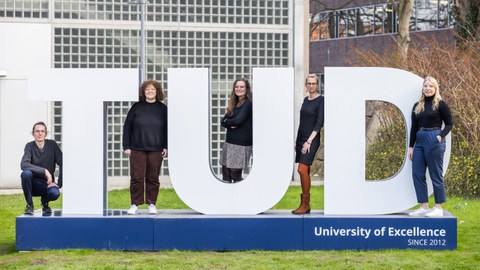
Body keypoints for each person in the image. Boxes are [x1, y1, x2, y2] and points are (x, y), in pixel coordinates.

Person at [408, 76, 453, 217]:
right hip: (420, 140)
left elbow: (450, 123)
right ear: (423, 88)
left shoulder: (440, 104)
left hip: (434, 139)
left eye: (431, 86)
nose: (428, 88)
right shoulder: (417, 105)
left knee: (435, 174)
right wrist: (411, 147)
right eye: (426, 86)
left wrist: (440, 136)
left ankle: (438, 208)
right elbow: (414, 127)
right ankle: (424, 206)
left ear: (435, 88)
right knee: (417, 174)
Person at [123, 80, 168, 215]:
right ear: (143, 92)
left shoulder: (162, 108)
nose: (150, 92)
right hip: (137, 148)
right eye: (147, 89)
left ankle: (152, 203)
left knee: (153, 177)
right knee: (136, 177)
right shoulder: (136, 107)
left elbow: (168, 129)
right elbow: (127, 127)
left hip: (156, 148)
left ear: (157, 92)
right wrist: (127, 146)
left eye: (152, 89)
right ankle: (134, 204)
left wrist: (166, 146)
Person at [292, 74, 324, 215]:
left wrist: (309, 141)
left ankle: (305, 204)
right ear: (306, 85)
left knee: (301, 170)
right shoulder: (305, 100)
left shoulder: (321, 100)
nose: (311, 86)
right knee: (306, 171)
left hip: (311, 139)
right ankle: (305, 205)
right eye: (309, 83)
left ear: (318, 85)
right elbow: (302, 122)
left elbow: (319, 122)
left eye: (314, 83)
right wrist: (298, 142)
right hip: (301, 139)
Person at [20, 122, 62, 216]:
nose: (40, 133)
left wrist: (59, 183)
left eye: (42, 131)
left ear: (45, 133)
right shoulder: (29, 146)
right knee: (26, 174)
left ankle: (45, 203)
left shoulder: (52, 145)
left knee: (55, 194)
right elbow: (24, 164)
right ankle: (30, 205)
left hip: (47, 183)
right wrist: (44, 171)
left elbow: (63, 163)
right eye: (37, 131)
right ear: (33, 133)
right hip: (32, 184)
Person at [220, 78, 253, 183]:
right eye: (237, 86)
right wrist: (231, 124)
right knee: (226, 175)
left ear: (246, 89)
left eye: (242, 86)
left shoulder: (247, 103)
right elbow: (222, 121)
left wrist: (229, 122)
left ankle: (245, 196)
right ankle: (227, 199)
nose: (239, 89)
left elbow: (238, 121)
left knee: (235, 175)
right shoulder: (233, 103)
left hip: (241, 144)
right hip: (229, 142)